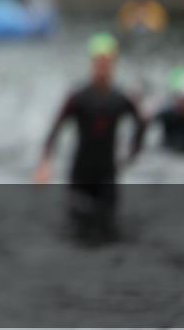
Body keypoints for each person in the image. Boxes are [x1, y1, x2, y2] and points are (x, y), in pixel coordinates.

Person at [34, 33, 148, 243]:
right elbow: (55, 129)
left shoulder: (120, 99)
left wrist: (133, 153)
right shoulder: (78, 97)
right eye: (98, 62)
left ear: (114, 64)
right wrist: (45, 163)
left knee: (110, 231)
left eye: (107, 63)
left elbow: (142, 123)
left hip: (107, 176)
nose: (102, 67)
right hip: (80, 176)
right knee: (76, 231)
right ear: (92, 63)